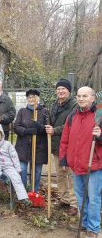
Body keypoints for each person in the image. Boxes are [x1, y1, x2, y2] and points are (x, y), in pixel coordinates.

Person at [59, 86, 102, 238]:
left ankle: (93, 228)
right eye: (79, 96)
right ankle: (83, 224)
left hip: (94, 166)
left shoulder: (99, 116)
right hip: (76, 165)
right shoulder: (72, 116)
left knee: (94, 199)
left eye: (85, 96)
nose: (81, 98)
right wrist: (63, 158)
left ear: (92, 98)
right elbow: (65, 139)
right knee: (80, 197)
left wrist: (100, 135)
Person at [45, 78, 78, 216]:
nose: (60, 91)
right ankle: (64, 199)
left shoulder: (74, 106)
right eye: (58, 89)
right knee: (59, 175)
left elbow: (71, 125)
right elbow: (51, 121)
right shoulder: (55, 105)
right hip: (57, 146)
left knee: (70, 175)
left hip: (70, 147)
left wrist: (55, 130)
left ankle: (74, 204)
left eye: (63, 89)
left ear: (69, 91)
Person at [14, 89, 48, 192]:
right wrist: (27, 131)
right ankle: (23, 191)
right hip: (23, 147)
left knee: (37, 172)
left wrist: (39, 127)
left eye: (34, 97)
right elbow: (16, 127)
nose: (31, 99)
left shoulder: (44, 112)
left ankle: (34, 191)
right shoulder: (22, 111)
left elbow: (48, 128)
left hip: (39, 147)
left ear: (38, 98)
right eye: (29, 97)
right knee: (22, 169)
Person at [0, 124, 31, 207]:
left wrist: (18, 168)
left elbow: (14, 156)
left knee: (16, 177)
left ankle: (23, 198)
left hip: (8, 164)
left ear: (1, 135)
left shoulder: (7, 144)